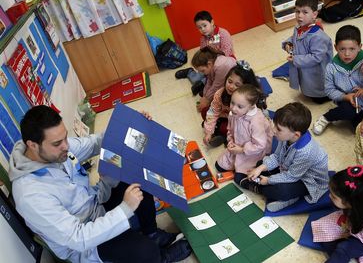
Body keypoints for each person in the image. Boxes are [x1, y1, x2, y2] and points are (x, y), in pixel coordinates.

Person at [8, 105, 192, 263]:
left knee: (135, 173)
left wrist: (133, 126)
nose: (66, 146)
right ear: (32, 145)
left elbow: (95, 142)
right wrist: (125, 208)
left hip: (95, 203)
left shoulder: (55, 149)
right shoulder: (30, 195)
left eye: (65, 137)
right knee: (146, 252)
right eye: (58, 143)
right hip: (86, 241)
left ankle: (151, 232)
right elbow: (77, 239)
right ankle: (162, 258)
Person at [244, 102, 329, 212]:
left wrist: (268, 180)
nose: (274, 130)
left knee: (278, 191)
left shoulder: (306, 152)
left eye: (278, 129)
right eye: (275, 124)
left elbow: (292, 177)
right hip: (292, 170)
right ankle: (263, 184)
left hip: (308, 180)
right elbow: (277, 157)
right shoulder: (286, 137)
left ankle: (291, 197)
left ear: (296, 135)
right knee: (260, 165)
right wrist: (260, 169)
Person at [312, 25, 363, 135]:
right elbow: (329, 90)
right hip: (347, 101)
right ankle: (326, 118)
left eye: (352, 49)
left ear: (360, 47)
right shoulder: (331, 67)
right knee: (350, 114)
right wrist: (345, 96)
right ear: (336, 47)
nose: (347, 54)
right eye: (342, 49)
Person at [215, 84, 273, 185]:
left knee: (239, 177)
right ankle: (237, 166)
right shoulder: (233, 114)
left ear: (250, 107)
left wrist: (242, 150)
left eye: (240, 106)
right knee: (218, 166)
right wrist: (231, 142)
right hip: (237, 147)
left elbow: (260, 145)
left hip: (253, 153)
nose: (233, 108)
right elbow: (230, 130)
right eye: (232, 103)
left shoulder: (256, 121)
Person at [282, 0, 333, 104]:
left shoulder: (318, 36)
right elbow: (295, 38)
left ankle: (324, 95)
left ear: (314, 14)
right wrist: (289, 43)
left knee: (318, 90)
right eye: (297, 11)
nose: (300, 16)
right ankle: (309, 91)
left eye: (305, 12)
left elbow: (316, 57)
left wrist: (296, 59)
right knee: (306, 82)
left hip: (317, 70)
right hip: (304, 66)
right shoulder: (299, 28)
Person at [203, 60, 265, 147]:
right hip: (226, 116)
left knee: (228, 129)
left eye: (237, 85)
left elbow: (249, 125)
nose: (231, 87)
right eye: (230, 81)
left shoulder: (250, 101)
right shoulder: (220, 94)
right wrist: (208, 132)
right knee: (205, 111)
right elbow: (213, 112)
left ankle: (222, 135)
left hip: (240, 123)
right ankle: (218, 131)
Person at [175, 10, 235, 95]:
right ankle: (190, 72)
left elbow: (227, 53)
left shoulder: (223, 33)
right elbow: (203, 54)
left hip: (223, 63)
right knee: (197, 78)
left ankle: (203, 84)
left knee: (221, 79)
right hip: (208, 64)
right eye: (199, 28)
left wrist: (212, 65)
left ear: (212, 22)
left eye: (204, 25)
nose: (202, 29)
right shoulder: (203, 39)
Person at [191, 46, 236, 114]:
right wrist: (205, 96)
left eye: (202, 71)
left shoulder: (221, 66)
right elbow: (209, 80)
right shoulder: (212, 64)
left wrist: (207, 100)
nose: (202, 73)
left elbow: (217, 86)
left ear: (209, 64)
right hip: (224, 84)